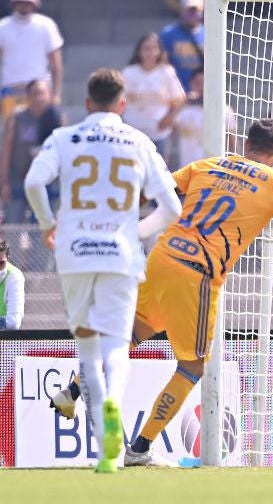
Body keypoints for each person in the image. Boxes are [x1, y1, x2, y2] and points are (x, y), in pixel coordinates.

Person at [49, 118, 273, 467]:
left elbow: (154, 191)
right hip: (197, 275)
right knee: (192, 366)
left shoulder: (209, 164)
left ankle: (72, 390)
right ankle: (140, 449)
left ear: (246, 145)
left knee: (132, 335)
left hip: (161, 257)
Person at [23, 69, 183, 473]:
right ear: (123, 103)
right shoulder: (138, 140)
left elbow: (33, 183)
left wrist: (47, 225)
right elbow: (173, 209)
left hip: (75, 252)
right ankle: (114, 405)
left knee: (88, 349)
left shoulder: (64, 138)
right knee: (117, 344)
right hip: (120, 255)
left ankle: (105, 454)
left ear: (88, 103)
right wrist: (134, 231)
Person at [0, 79, 62, 271]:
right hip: (18, 179)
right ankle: (14, 270)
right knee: (14, 227)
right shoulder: (18, 117)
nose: (38, 98)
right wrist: (4, 183)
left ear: (50, 95)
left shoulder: (56, 118)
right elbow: (6, 150)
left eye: (42, 93)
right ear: (27, 97)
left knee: (45, 227)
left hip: (47, 183)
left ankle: (40, 274)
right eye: (34, 93)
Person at [0, 0, 63, 122]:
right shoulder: (3, 27)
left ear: (34, 4)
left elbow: (56, 64)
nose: (24, 6)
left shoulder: (46, 25)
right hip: (11, 88)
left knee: (37, 133)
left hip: (39, 90)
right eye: (20, 2)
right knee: (11, 133)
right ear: (13, 3)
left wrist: (56, 94)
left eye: (27, 2)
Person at [122, 33, 186, 165]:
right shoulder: (129, 72)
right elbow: (118, 99)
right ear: (139, 51)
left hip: (159, 135)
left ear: (159, 51)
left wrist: (167, 121)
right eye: (146, 48)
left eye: (153, 48)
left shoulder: (166, 72)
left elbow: (179, 100)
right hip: (132, 135)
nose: (150, 52)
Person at [165, 67, 236, 168]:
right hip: (188, 169)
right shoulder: (184, 110)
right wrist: (183, 103)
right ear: (191, 85)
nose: (202, 87)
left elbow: (233, 143)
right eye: (198, 83)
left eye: (205, 82)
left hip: (214, 169)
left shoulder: (225, 110)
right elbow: (162, 126)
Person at [159, 0, 204, 92]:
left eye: (195, 10)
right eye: (188, 10)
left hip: (202, 96)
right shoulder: (168, 34)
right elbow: (162, 65)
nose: (191, 14)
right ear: (181, 10)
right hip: (175, 94)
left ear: (202, 11)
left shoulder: (209, 34)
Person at [0, 240, 25, 330]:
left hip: (4, 341)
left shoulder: (14, 276)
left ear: (8, 258)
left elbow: (13, 322)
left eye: (1, 263)